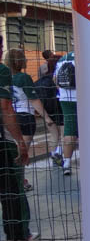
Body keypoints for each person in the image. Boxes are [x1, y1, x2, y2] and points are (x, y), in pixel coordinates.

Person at [0, 38, 39, 241]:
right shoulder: (4, 72)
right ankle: (18, 234)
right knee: (12, 187)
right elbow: (6, 107)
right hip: (5, 138)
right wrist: (20, 142)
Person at [6, 49, 59, 190]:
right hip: (25, 117)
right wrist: (46, 117)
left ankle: (14, 180)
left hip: (9, 117)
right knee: (22, 152)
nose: (26, 60)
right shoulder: (24, 78)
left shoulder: (5, 77)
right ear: (19, 61)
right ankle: (20, 182)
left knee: (11, 151)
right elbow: (34, 99)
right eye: (24, 58)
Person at [34, 55, 63, 165]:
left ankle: (54, 156)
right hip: (60, 110)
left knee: (54, 135)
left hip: (47, 112)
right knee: (64, 135)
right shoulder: (59, 79)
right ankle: (61, 157)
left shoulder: (40, 81)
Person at [54, 51, 77, 176]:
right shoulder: (87, 56)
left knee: (69, 129)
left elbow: (55, 80)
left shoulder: (63, 59)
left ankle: (67, 163)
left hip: (65, 98)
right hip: (84, 98)